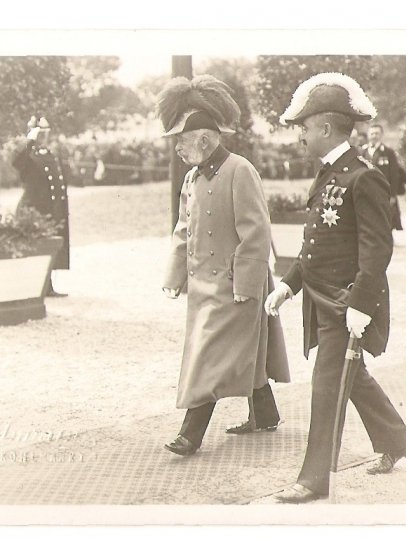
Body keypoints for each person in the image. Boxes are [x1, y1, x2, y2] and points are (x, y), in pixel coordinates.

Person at [265, 73, 406, 503]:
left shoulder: (363, 177)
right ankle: (396, 439)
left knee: (327, 385)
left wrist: (362, 305)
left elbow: (377, 249)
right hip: (322, 300)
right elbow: (316, 247)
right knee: (354, 377)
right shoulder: (330, 173)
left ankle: (314, 480)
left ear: (326, 128)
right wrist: (288, 286)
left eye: (304, 128)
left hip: (347, 302)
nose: (300, 136)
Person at [158, 75, 291, 456]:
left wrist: (246, 285)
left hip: (234, 285)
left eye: (182, 141)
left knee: (208, 356)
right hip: (203, 288)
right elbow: (183, 229)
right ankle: (265, 414)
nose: (177, 148)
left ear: (204, 139)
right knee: (241, 351)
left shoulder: (240, 170)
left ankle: (191, 434)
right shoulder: (191, 178)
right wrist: (173, 276)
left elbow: (256, 232)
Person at [13, 116, 70, 297]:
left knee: (49, 247)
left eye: (46, 133)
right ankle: (35, 286)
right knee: (35, 248)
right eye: (40, 133)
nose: (44, 137)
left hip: (50, 208)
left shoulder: (49, 154)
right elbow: (17, 161)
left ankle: (47, 286)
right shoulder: (28, 155)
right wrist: (29, 140)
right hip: (33, 208)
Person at [360, 124, 406, 231]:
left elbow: (394, 175)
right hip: (365, 192)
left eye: (377, 133)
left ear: (381, 135)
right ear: (368, 135)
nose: (374, 136)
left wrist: (393, 195)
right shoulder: (362, 152)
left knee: (384, 222)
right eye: (372, 133)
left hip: (383, 193)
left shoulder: (388, 152)